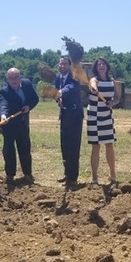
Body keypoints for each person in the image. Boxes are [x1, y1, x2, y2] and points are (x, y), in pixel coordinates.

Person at [0, 68, 39, 185]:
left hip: (22, 122)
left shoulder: (26, 85)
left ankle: (27, 174)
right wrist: (3, 116)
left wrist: (28, 107)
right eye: (11, 78)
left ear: (20, 77)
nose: (13, 80)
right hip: (9, 125)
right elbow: (3, 105)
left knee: (25, 148)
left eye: (16, 77)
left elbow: (35, 99)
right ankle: (10, 176)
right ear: (7, 79)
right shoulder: (4, 91)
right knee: (9, 150)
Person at [86, 57, 120, 185]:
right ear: (96, 67)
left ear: (107, 66)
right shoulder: (94, 80)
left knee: (109, 145)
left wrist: (112, 103)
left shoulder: (112, 81)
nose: (101, 66)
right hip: (94, 115)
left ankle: (113, 175)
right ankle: (94, 178)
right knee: (96, 146)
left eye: (103, 64)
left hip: (107, 115)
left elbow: (117, 98)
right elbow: (93, 86)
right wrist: (94, 89)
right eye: (99, 64)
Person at [55, 56, 84, 186]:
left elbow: (71, 87)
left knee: (73, 146)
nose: (62, 66)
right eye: (61, 64)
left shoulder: (74, 76)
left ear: (69, 65)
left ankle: (73, 177)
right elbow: (57, 94)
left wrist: (61, 92)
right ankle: (67, 174)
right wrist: (58, 99)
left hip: (75, 115)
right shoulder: (57, 77)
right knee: (64, 145)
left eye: (65, 64)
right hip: (64, 114)